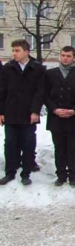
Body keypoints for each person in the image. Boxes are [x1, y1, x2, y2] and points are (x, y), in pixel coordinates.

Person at [0, 40, 46, 186]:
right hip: (11, 112)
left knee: (28, 143)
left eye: (17, 50)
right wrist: (1, 111)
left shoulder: (37, 69)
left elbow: (40, 92)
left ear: (26, 52)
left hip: (28, 114)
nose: (14, 53)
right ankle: (10, 172)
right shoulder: (8, 68)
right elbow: (2, 91)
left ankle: (26, 173)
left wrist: (35, 111)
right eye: (13, 50)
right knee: (10, 143)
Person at [44, 46, 75, 187]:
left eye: (68, 56)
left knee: (72, 147)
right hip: (56, 117)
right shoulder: (50, 74)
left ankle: (72, 175)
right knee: (59, 148)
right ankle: (61, 175)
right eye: (63, 55)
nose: (65, 58)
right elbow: (45, 94)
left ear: (74, 57)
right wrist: (54, 109)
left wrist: (74, 110)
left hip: (73, 117)